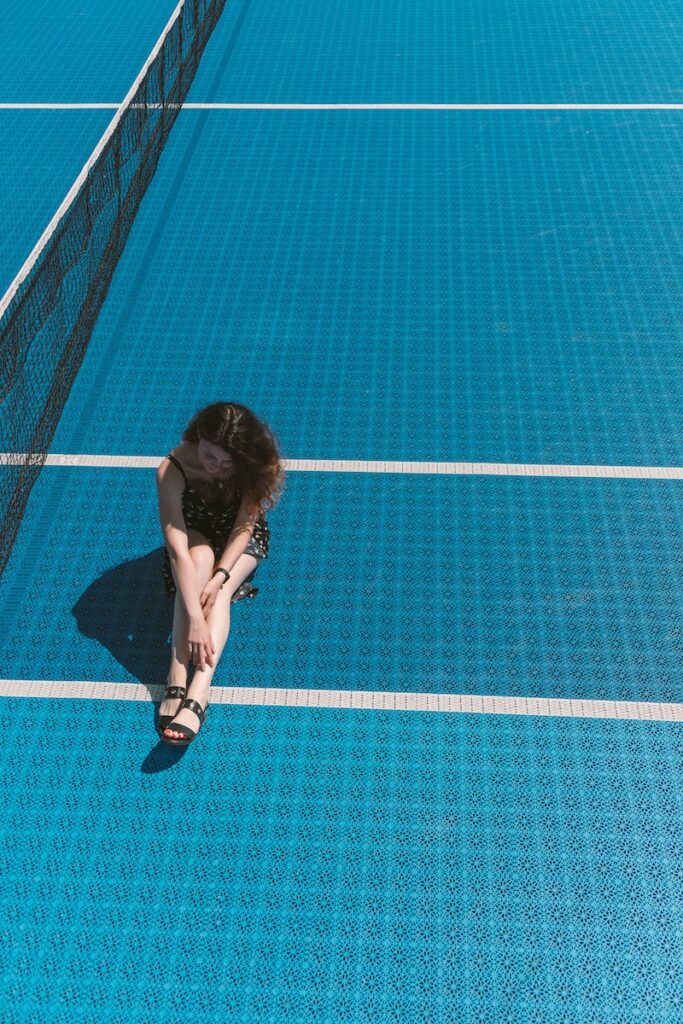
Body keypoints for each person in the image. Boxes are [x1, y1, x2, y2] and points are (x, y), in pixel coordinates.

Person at [155, 401, 283, 746]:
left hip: (239, 541)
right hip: (195, 533)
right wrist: (194, 618)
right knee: (196, 561)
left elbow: (244, 526)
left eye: (228, 463)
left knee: (219, 593)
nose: (217, 467)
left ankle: (198, 691)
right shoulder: (171, 468)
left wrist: (220, 576)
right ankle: (177, 672)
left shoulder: (255, 466)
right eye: (211, 456)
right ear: (198, 437)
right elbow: (177, 547)